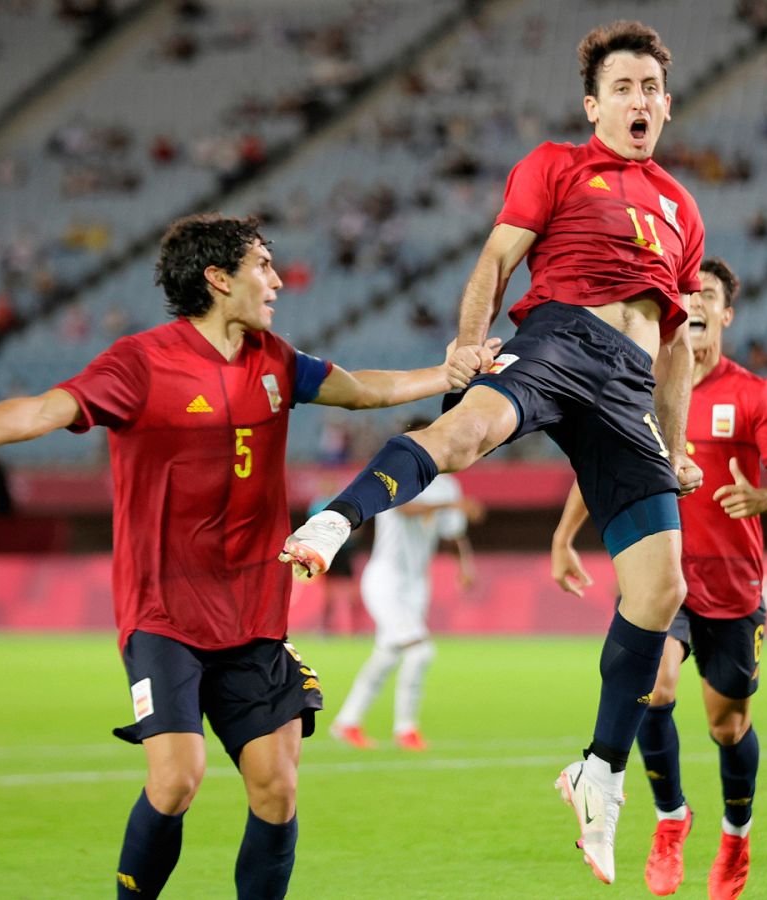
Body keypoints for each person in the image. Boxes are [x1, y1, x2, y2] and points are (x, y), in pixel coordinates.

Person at [0, 214, 466, 899]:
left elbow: (366, 388)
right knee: (176, 777)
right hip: (165, 612)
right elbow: (48, 408)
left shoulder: (275, 359)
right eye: (262, 267)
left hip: (254, 610)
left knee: (277, 789)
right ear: (218, 279)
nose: (276, 281)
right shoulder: (140, 363)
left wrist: (445, 373)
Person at [278, 20, 705, 885]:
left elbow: (679, 347)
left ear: (667, 103)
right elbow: (496, 257)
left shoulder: (683, 209)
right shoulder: (554, 163)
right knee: (464, 437)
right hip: (560, 337)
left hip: (628, 388)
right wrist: (470, 343)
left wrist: (677, 443)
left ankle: (601, 774)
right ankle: (333, 521)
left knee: (663, 589)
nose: (639, 101)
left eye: (651, 89)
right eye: (622, 88)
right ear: (595, 104)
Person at [551, 257, 767, 899]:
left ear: (725, 313)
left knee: (728, 726)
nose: (694, 302)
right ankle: (670, 820)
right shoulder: (643, 386)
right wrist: (563, 536)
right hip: (662, 576)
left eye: (709, 295)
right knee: (656, 689)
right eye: (687, 293)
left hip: (734, 587)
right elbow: (609, 468)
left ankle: (736, 832)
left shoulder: (755, 395)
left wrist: (762, 498)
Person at [329, 418, 483, 751]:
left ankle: (346, 722)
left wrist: (465, 564)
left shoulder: (446, 484)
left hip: (416, 584)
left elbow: (453, 532)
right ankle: (406, 729)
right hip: (385, 579)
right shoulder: (396, 473)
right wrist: (451, 505)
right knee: (421, 650)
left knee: (387, 654)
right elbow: (406, 509)